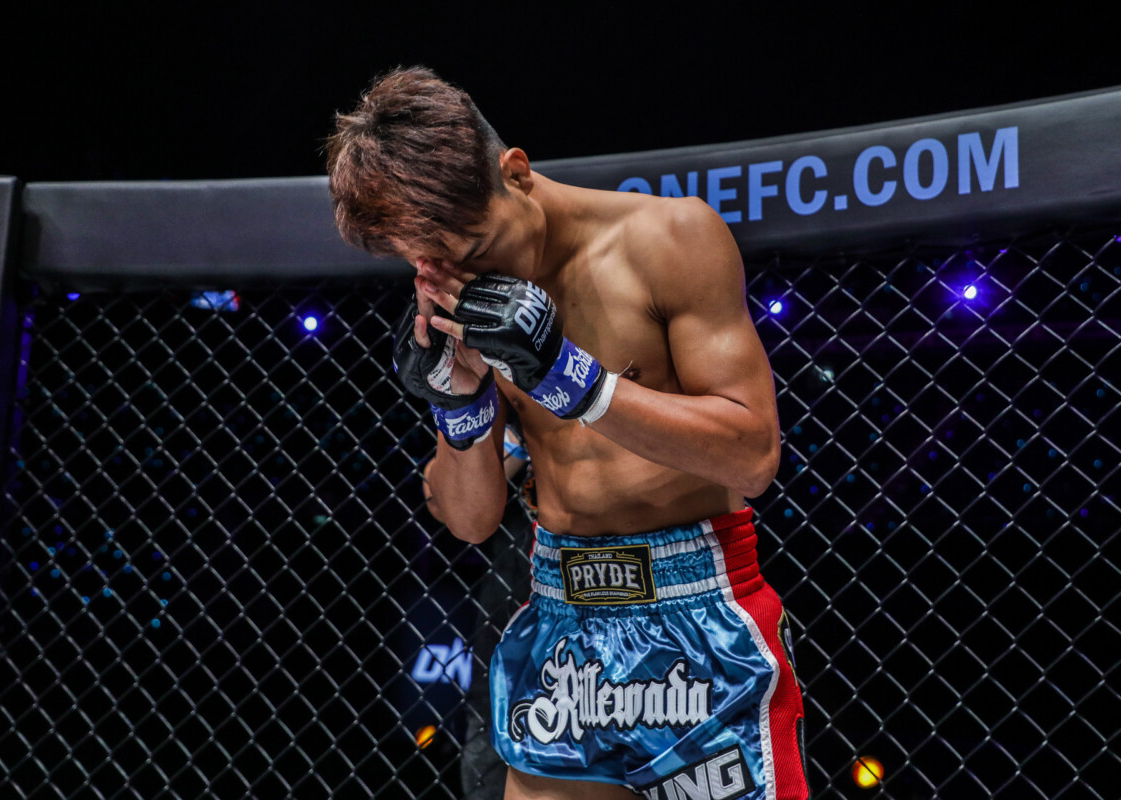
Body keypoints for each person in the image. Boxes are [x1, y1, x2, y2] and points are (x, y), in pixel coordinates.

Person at [327, 67, 810, 800]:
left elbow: (752, 456)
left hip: (697, 616)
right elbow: (471, 520)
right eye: (427, 262)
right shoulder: (458, 288)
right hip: (563, 622)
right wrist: (459, 408)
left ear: (516, 173)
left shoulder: (670, 239)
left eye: (476, 248)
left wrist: (572, 380)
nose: (462, 279)